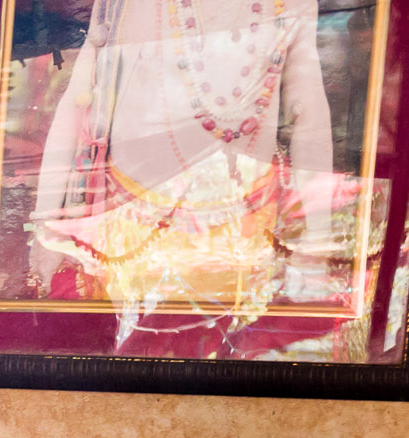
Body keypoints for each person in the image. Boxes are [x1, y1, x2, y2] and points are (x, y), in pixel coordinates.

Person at [27, 0, 337, 322]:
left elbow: (309, 117)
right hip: (134, 239)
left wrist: (315, 247)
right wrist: (46, 229)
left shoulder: (292, 4)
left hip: (248, 241)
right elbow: (76, 101)